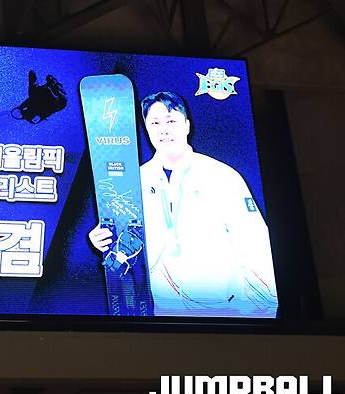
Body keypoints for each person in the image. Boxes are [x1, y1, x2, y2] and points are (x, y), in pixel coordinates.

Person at [88, 91, 278, 317]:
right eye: (155, 123)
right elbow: (127, 239)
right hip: (162, 312)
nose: (163, 129)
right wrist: (102, 239)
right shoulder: (134, 182)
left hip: (224, 310)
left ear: (187, 125)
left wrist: (265, 313)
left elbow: (255, 241)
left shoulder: (221, 175)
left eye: (171, 121)